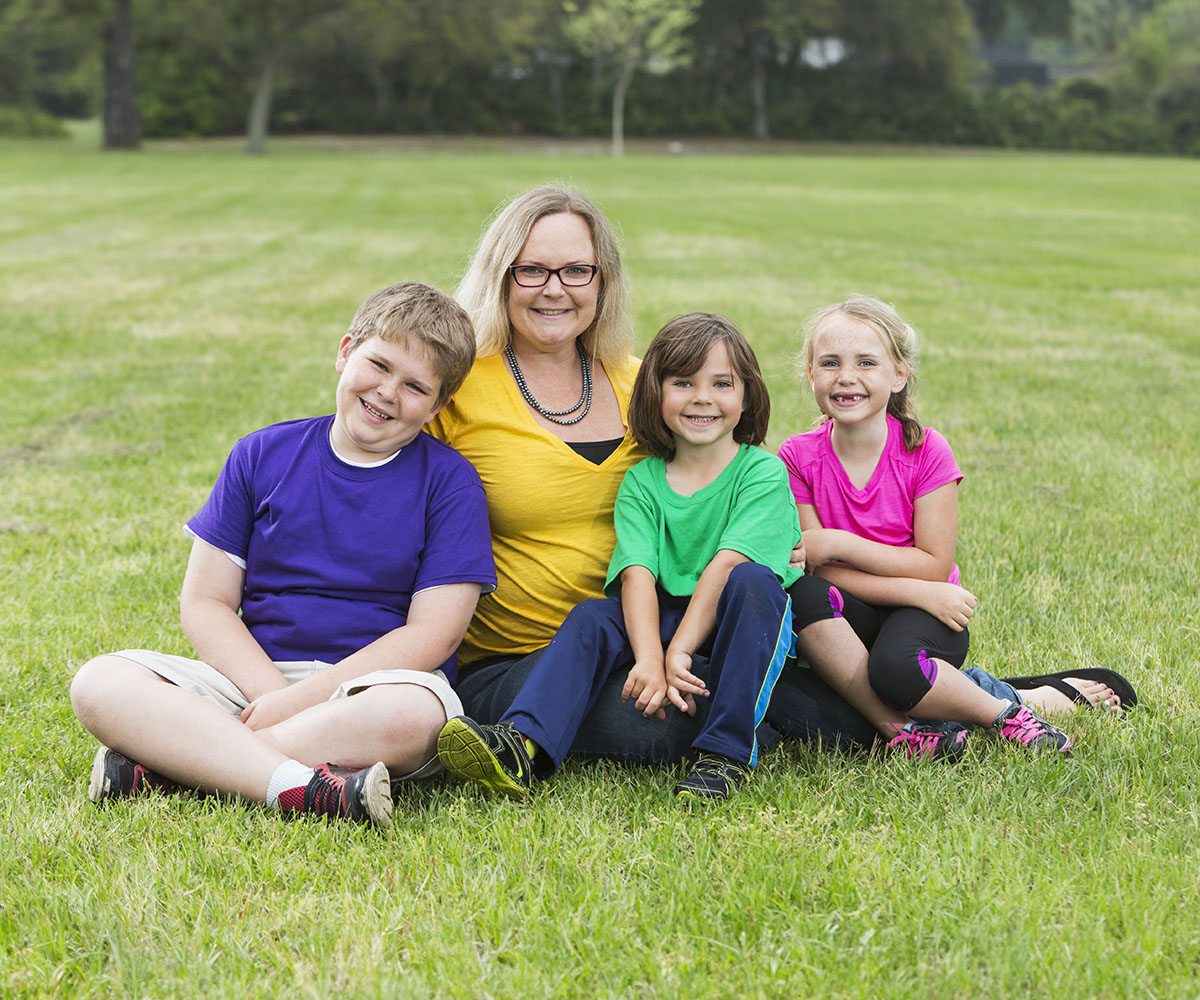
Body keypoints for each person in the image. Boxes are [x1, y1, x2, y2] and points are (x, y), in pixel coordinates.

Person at [428, 184, 886, 771]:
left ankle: (982, 696)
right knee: (665, 725)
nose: (554, 289)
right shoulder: (459, 389)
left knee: (806, 693)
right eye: (532, 270)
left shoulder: (645, 383)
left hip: (674, 629)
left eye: (576, 271)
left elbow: (732, 479)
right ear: (501, 275)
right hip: (528, 656)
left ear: (603, 282)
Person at [69, 282, 496, 826]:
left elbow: (433, 636)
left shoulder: (450, 483)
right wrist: (273, 693)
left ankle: (181, 767)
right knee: (100, 682)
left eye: (415, 386)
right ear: (345, 352)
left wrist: (306, 700)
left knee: (422, 714)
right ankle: (300, 787)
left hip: (369, 691)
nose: (388, 392)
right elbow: (206, 602)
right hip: (252, 681)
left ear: (439, 405)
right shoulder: (262, 454)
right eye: (379, 365)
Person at [439, 314, 799, 801]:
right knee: (592, 617)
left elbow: (727, 567)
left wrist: (677, 654)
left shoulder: (761, 473)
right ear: (654, 393)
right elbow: (637, 574)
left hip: (733, 619)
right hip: (663, 610)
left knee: (754, 581)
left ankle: (726, 756)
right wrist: (649, 658)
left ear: (747, 396)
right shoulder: (643, 480)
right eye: (683, 382)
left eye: (722, 384)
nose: (702, 397)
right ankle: (520, 746)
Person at [779, 295, 1124, 757]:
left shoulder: (926, 451)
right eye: (830, 363)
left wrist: (840, 542)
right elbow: (816, 573)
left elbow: (933, 566)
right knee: (803, 597)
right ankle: (907, 733)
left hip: (932, 617)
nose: (846, 377)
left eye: (866, 362)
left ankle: (1008, 715)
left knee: (894, 671)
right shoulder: (798, 457)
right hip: (858, 617)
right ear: (811, 375)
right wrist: (915, 589)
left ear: (900, 374)